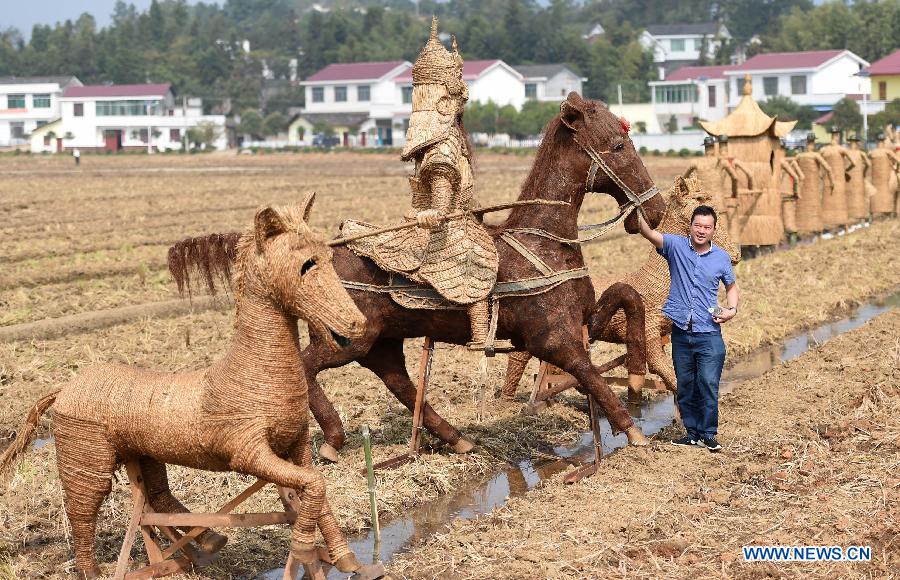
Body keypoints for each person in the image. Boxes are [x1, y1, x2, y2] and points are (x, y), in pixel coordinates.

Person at [343, 17, 508, 351]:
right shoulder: (443, 146)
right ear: (444, 103)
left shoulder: (452, 140)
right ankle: (479, 333)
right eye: (458, 100)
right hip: (443, 227)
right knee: (473, 264)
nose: (462, 105)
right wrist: (436, 212)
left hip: (458, 218)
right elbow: (441, 190)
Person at [637, 204, 739, 452]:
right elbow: (648, 233)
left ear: (713, 230)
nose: (701, 231)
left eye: (707, 227)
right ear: (690, 227)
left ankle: (708, 434)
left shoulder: (721, 257)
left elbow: (731, 286)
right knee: (685, 385)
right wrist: (635, 206)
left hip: (709, 333)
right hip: (681, 332)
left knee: (707, 383)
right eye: (697, 225)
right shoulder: (676, 246)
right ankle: (692, 434)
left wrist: (731, 310)